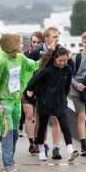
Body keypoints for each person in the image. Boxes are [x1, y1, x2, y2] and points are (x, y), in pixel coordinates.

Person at [0, 33, 41, 172]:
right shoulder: (2, 61)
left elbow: (35, 65)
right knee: (7, 132)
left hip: (16, 101)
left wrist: (50, 53)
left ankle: (10, 159)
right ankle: (8, 164)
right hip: (4, 102)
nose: (23, 45)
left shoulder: (20, 58)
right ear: (12, 45)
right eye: (20, 43)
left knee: (15, 133)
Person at [26, 47, 79, 162]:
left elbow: (67, 86)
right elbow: (34, 80)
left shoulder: (68, 69)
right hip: (45, 102)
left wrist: (62, 98)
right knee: (42, 127)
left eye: (65, 61)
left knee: (65, 126)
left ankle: (70, 150)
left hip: (59, 102)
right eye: (60, 61)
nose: (62, 63)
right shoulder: (47, 70)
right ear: (55, 58)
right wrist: (28, 90)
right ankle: (41, 149)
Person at [28, 27, 63, 159]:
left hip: (55, 90)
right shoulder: (37, 51)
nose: (56, 39)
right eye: (54, 37)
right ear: (46, 38)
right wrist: (30, 88)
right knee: (40, 119)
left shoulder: (60, 50)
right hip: (41, 91)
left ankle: (56, 148)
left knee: (55, 118)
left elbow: (66, 67)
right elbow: (30, 69)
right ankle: (40, 143)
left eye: (58, 37)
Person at [21, 31, 44, 154]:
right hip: (26, 88)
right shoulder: (25, 54)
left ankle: (37, 140)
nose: (35, 44)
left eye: (38, 42)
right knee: (29, 115)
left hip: (40, 89)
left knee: (38, 117)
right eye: (33, 42)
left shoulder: (44, 54)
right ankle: (31, 143)